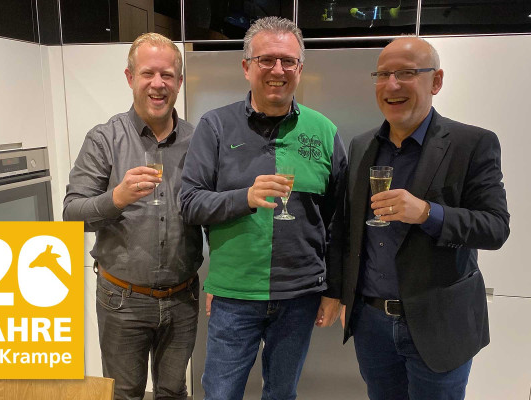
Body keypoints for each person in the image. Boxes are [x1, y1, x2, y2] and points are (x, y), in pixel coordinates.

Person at [180, 16, 347, 400]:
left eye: (288, 61)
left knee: (282, 394)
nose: (278, 70)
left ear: (300, 69)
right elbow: (189, 203)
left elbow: (340, 222)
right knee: (221, 394)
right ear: (246, 67)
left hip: (300, 296)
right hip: (234, 295)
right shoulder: (216, 126)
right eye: (266, 60)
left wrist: (334, 289)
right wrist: (244, 198)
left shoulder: (324, 131)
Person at [340, 37, 510, 400]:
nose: (392, 85)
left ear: (436, 81)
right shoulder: (361, 145)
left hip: (440, 325)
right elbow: (348, 230)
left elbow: (495, 228)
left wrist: (428, 213)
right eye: (383, 74)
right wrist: (344, 297)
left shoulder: (472, 143)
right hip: (371, 324)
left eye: (406, 73)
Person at [63, 33, 203, 400]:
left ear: (179, 81)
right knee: (125, 394)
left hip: (183, 297)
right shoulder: (104, 139)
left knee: (173, 392)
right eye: (147, 73)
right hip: (122, 300)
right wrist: (117, 198)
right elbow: (72, 214)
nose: (158, 84)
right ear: (130, 78)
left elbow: (210, 211)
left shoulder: (198, 140)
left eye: (167, 75)